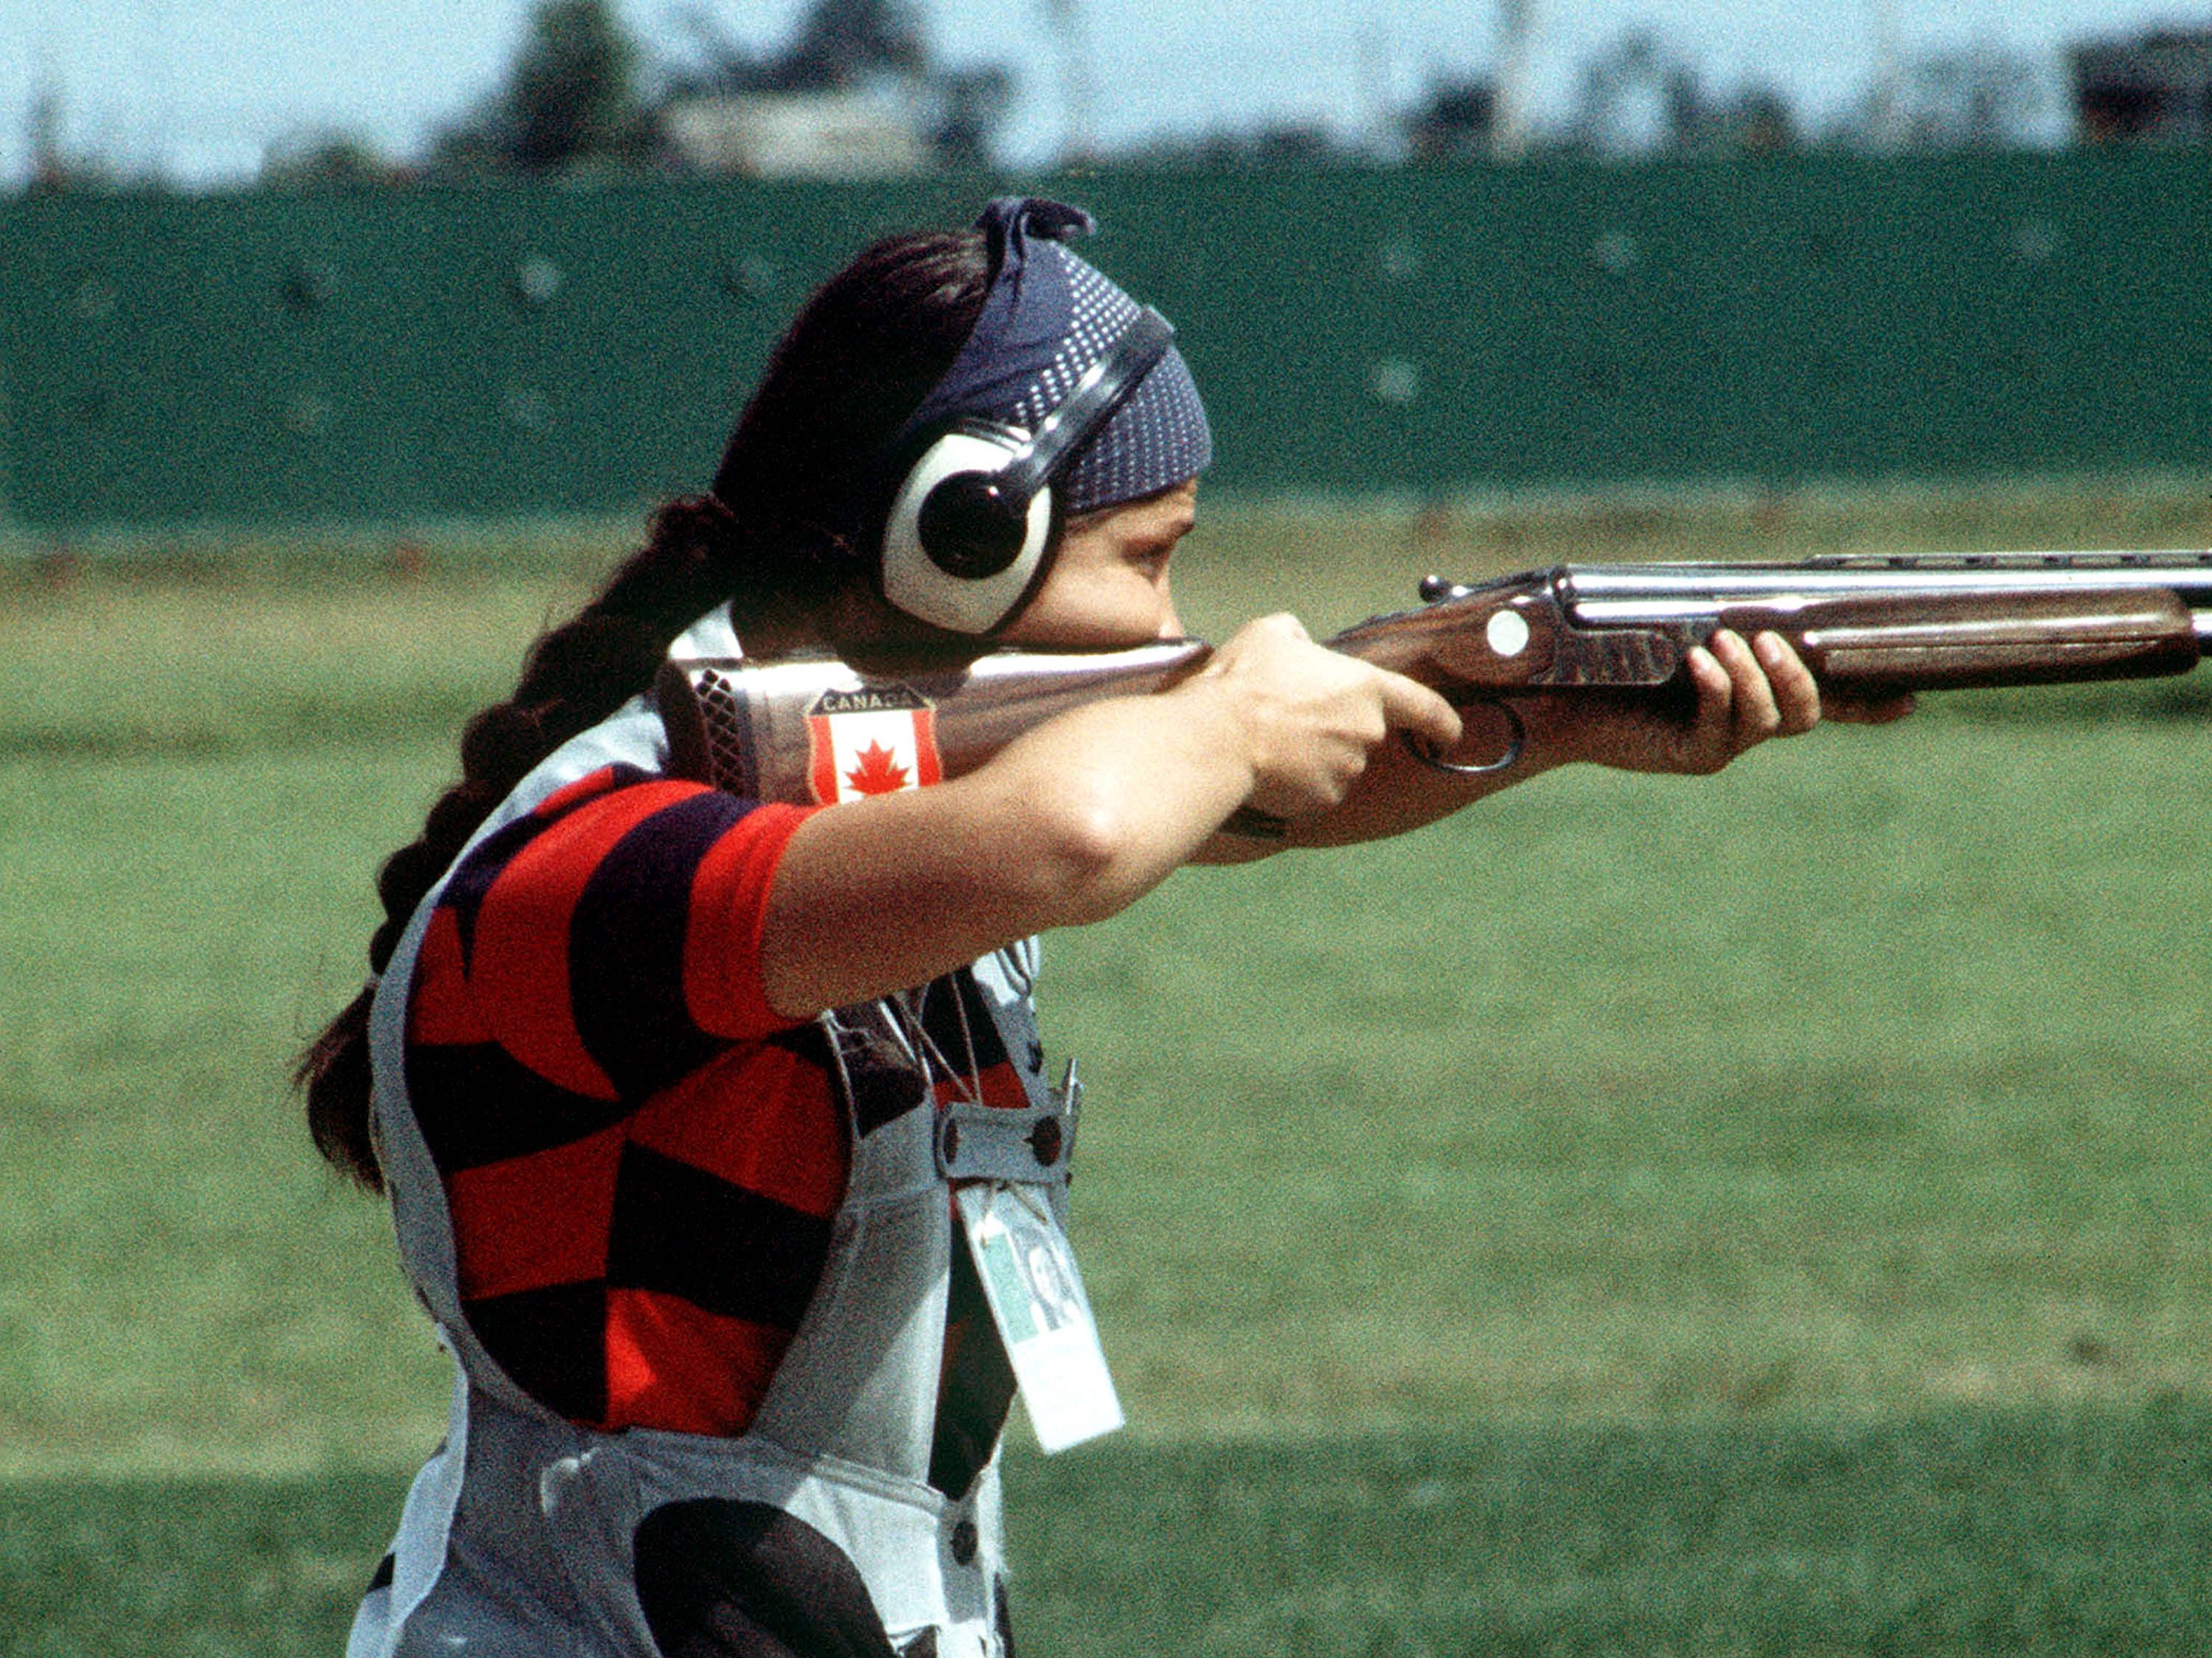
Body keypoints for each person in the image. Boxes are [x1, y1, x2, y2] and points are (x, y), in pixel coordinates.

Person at [299, 197, 1900, 1658]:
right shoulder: (598, 873)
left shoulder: (865, 805)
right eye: (1149, 560)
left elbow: (1265, 795)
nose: (1169, 629)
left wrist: (1570, 719)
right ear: (960, 537)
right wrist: (1238, 700)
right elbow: (1081, 826)